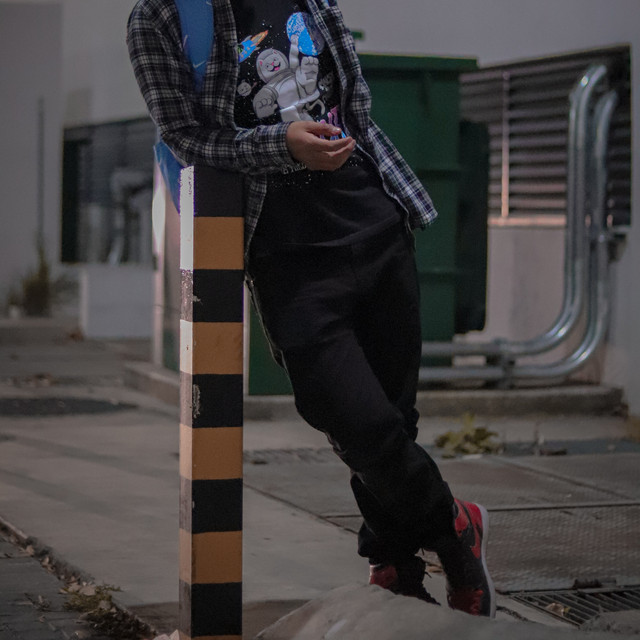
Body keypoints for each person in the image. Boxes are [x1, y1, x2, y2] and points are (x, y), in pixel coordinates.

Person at [127, 0, 495, 617]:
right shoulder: (161, 17)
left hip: (376, 227)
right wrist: (283, 145)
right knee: (350, 418)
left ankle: (395, 568)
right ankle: (455, 529)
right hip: (287, 257)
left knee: (392, 420)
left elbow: (352, 101)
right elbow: (187, 137)